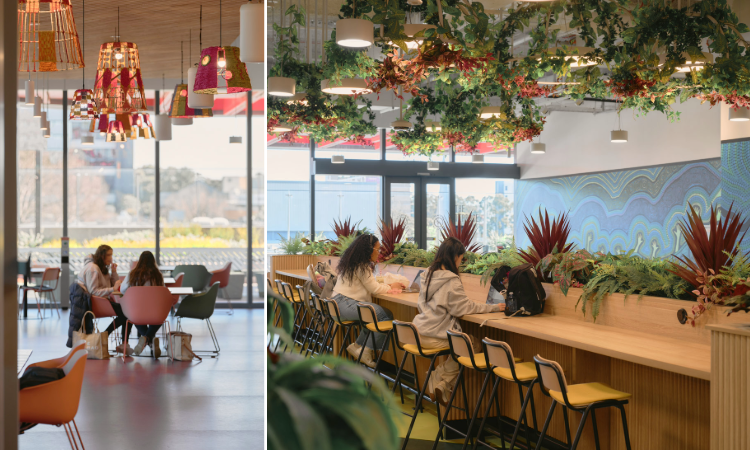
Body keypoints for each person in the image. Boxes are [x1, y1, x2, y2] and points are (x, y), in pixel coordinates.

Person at [412, 237, 505, 404]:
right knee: (474, 344)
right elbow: (463, 308)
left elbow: (422, 305)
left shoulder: (427, 274)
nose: (460, 264)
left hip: (419, 332)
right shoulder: (451, 279)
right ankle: (442, 378)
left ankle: (440, 377)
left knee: (462, 342)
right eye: (461, 259)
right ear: (455, 257)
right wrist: (494, 307)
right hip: (435, 336)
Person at [332, 234, 404, 368]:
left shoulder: (352, 263)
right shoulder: (362, 266)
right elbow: (374, 288)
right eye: (377, 249)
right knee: (384, 315)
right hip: (345, 303)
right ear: (368, 250)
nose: (379, 252)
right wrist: (391, 286)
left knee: (372, 316)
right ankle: (365, 350)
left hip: (338, 303)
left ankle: (358, 346)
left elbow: (369, 284)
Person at [78, 244, 133, 355]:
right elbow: (93, 291)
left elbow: (113, 285)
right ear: (102, 255)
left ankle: (122, 343)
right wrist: (112, 289)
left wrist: (113, 272)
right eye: (108, 255)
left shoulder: (101, 268)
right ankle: (108, 337)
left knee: (128, 312)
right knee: (127, 313)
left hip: (103, 301)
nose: (111, 258)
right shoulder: (93, 269)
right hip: (95, 303)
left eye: (111, 255)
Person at [120, 251, 165, 358]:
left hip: (137, 312)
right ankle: (149, 339)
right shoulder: (158, 276)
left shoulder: (132, 274)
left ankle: (146, 338)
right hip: (155, 312)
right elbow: (163, 291)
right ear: (153, 261)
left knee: (134, 316)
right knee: (160, 317)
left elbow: (122, 290)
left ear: (139, 261)